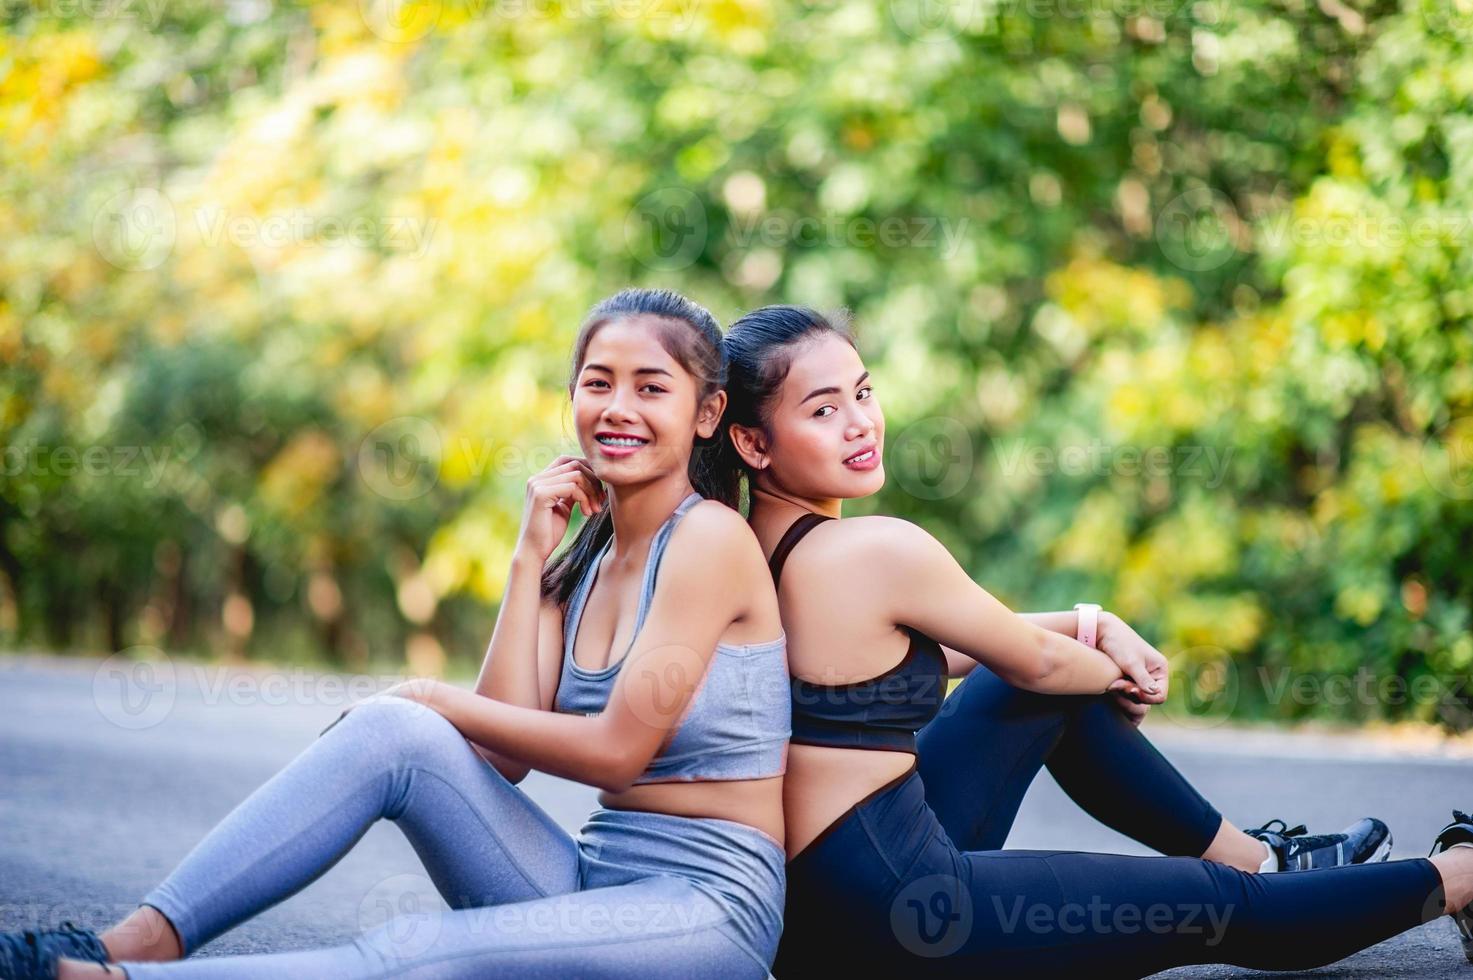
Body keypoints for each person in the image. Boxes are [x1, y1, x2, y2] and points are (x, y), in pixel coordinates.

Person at [2, 288, 792, 980]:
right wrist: (526, 558)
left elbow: (617, 752)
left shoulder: (709, 540)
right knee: (393, 732)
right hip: (588, 880)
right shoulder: (581, 557)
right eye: (597, 383)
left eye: (650, 387)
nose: (617, 407)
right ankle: (135, 943)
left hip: (704, 910)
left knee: (424, 945)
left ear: (707, 413)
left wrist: (427, 693)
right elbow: (499, 758)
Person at [717, 303, 1473, 977]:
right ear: (753, 443)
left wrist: (1093, 624)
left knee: (1012, 688)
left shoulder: (744, 550)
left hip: (813, 917)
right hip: (901, 913)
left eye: (863, 392)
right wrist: (1110, 671)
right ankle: (1458, 877)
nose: (860, 422)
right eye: (823, 410)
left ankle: (1267, 859)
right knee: (1214, 907)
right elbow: (1037, 662)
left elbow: (946, 651)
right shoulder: (871, 550)